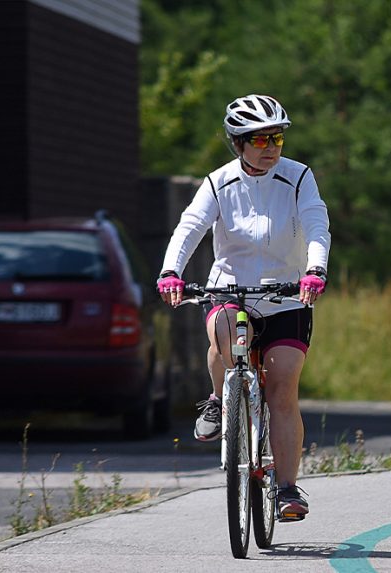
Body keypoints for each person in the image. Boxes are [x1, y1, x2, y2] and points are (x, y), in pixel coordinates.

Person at [156, 94, 330, 521]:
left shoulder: (299, 177)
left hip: (287, 294)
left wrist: (315, 268)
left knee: (283, 386)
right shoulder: (218, 182)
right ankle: (219, 398)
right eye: (260, 139)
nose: (271, 146)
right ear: (238, 143)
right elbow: (191, 225)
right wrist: (169, 272)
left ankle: (287, 489)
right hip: (229, 290)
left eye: (277, 138)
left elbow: (315, 221)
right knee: (230, 336)